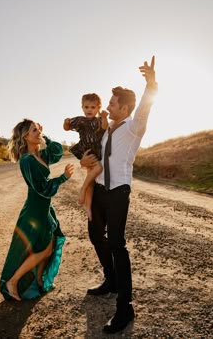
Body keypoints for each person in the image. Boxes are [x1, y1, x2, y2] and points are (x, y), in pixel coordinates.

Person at [80, 56, 158, 334]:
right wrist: (86, 162)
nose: (108, 106)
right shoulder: (106, 131)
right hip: (100, 189)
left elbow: (145, 109)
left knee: (117, 244)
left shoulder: (134, 127)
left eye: (112, 103)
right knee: (94, 234)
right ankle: (110, 280)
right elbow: (98, 158)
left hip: (118, 192)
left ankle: (125, 308)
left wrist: (151, 83)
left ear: (124, 107)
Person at [0, 119, 74, 301]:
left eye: (38, 129)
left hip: (44, 208)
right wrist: (63, 178)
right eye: (34, 130)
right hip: (35, 210)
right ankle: (13, 281)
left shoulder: (40, 155)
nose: (38, 132)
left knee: (47, 246)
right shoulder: (27, 160)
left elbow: (57, 151)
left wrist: (44, 135)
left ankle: (39, 281)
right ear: (25, 136)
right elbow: (43, 188)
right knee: (43, 248)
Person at [63, 93, 108, 220]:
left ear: (98, 108)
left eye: (93, 107)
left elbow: (105, 127)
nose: (89, 110)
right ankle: (82, 189)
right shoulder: (80, 120)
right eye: (86, 107)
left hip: (96, 149)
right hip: (86, 150)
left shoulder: (99, 120)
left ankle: (88, 207)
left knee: (91, 181)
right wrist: (66, 122)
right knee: (98, 169)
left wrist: (104, 117)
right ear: (82, 107)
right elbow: (67, 128)